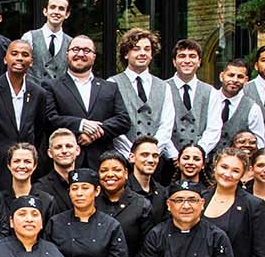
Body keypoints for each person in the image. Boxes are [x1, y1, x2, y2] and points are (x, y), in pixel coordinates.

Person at [0, 39, 55, 184]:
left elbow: (38, 130)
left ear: (31, 61)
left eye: (25, 55)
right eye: (14, 53)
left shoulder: (39, 93)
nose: (19, 58)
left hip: (25, 168)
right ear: (5, 59)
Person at [49, 35, 131, 165]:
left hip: (102, 163)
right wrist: (80, 124)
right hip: (66, 163)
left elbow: (123, 120)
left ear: (94, 56)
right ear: (67, 54)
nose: (80, 54)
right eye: (75, 49)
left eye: (86, 51)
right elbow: (50, 119)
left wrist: (95, 132)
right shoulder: (51, 86)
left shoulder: (110, 87)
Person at [110, 30, 168, 158]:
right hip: (123, 157)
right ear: (126, 54)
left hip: (156, 159)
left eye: (147, 49)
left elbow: (166, 125)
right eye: (136, 49)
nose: (142, 53)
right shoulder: (112, 83)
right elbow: (112, 124)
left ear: (152, 54)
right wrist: (131, 154)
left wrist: (151, 153)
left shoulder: (164, 86)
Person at [158, 39, 218, 163]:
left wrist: (197, 154)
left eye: (192, 56)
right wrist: (173, 154)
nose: (187, 61)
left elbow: (214, 128)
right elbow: (158, 125)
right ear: (174, 62)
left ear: (199, 62)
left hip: (200, 161)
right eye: (182, 56)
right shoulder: (161, 89)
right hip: (167, 161)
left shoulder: (211, 92)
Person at [214, 60, 265, 149]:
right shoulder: (208, 101)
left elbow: (259, 143)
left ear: (246, 80)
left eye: (240, 77)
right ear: (221, 76)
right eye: (231, 75)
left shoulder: (252, 108)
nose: (235, 80)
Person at [22, 0, 72, 83]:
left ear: (67, 14)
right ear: (45, 11)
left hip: (59, 95)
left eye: (61, 9)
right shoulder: (29, 37)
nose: (56, 12)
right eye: (53, 7)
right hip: (34, 93)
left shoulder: (71, 43)